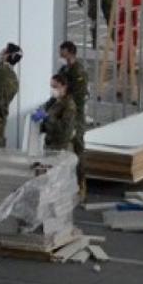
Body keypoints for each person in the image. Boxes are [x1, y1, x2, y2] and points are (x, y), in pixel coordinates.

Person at [57, 41, 88, 194]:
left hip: (76, 115)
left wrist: (65, 102)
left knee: (78, 147)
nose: (59, 52)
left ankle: (81, 183)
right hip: (65, 113)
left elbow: (79, 96)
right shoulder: (65, 69)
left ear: (69, 51)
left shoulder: (78, 71)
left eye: (61, 50)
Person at [34, 74, 77, 153]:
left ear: (64, 86)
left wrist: (47, 117)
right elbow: (44, 107)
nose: (52, 90)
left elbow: (64, 128)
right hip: (50, 143)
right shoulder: (54, 100)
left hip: (61, 146)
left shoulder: (69, 105)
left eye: (55, 87)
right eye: (51, 86)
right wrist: (40, 113)